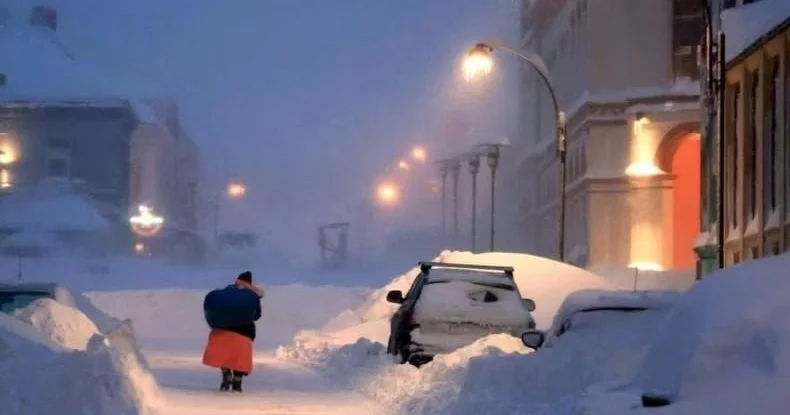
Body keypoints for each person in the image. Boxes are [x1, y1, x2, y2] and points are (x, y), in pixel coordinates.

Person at [202, 271, 264, 392]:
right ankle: (237, 380)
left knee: (225, 354)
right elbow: (256, 316)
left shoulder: (226, 293)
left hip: (221, 331)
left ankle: (226, 375)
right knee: (238, 357)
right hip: (243, 332)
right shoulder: (251, 296)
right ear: (250, 283)